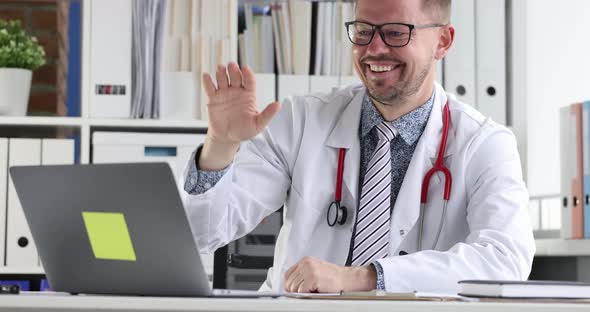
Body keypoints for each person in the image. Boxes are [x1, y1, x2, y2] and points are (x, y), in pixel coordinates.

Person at [181, 0, 535, 294]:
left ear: (442, 41)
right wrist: (220, 146)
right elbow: (203, 234)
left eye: (396, 33)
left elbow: (505, 261)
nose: (374, 49)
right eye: (363, 31)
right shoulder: (300, 120)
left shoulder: (486, 144)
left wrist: (366, 277)